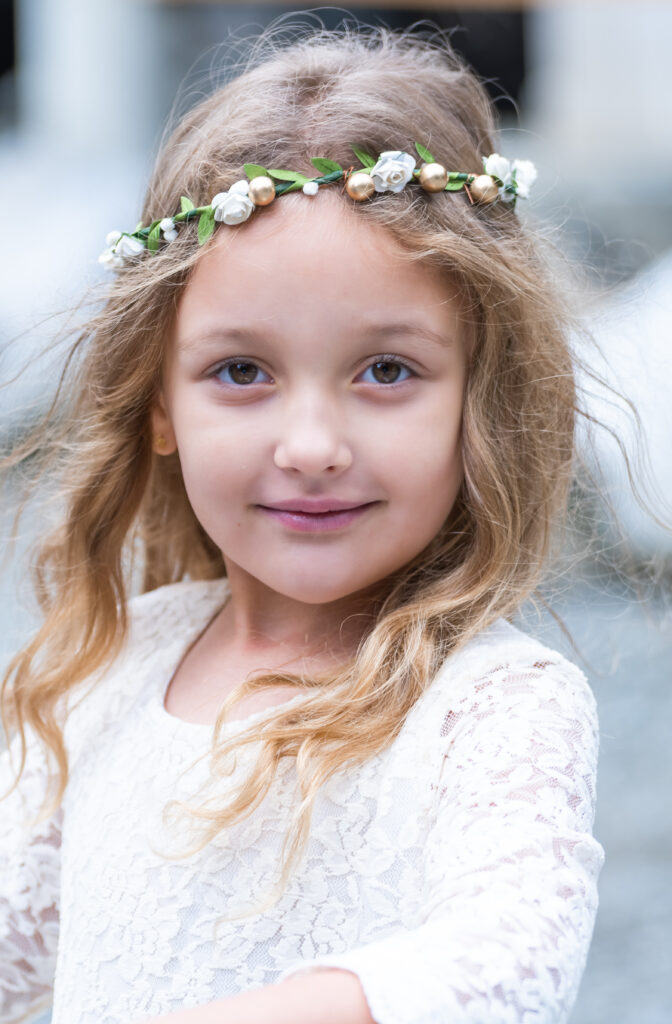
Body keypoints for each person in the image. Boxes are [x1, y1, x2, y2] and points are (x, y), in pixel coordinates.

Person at [0, 20, 607, 1024]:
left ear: (479, 396)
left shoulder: (495, 709)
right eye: (242, 371)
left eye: (386, 371)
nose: (312, 443)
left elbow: (507, 963)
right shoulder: (110, 672)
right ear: (159, 403)